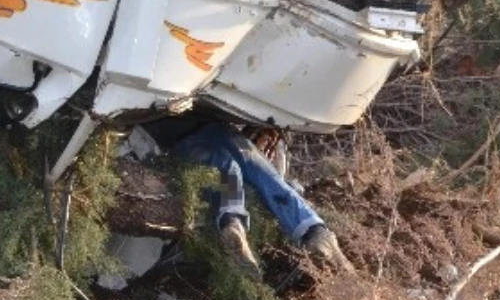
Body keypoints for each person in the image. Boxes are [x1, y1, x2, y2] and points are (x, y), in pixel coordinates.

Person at [146, 115, 354, 277]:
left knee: (230, 168)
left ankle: (233, 223)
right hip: (190, 132)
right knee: (256, 170)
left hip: (193, 130)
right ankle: (313, 231)